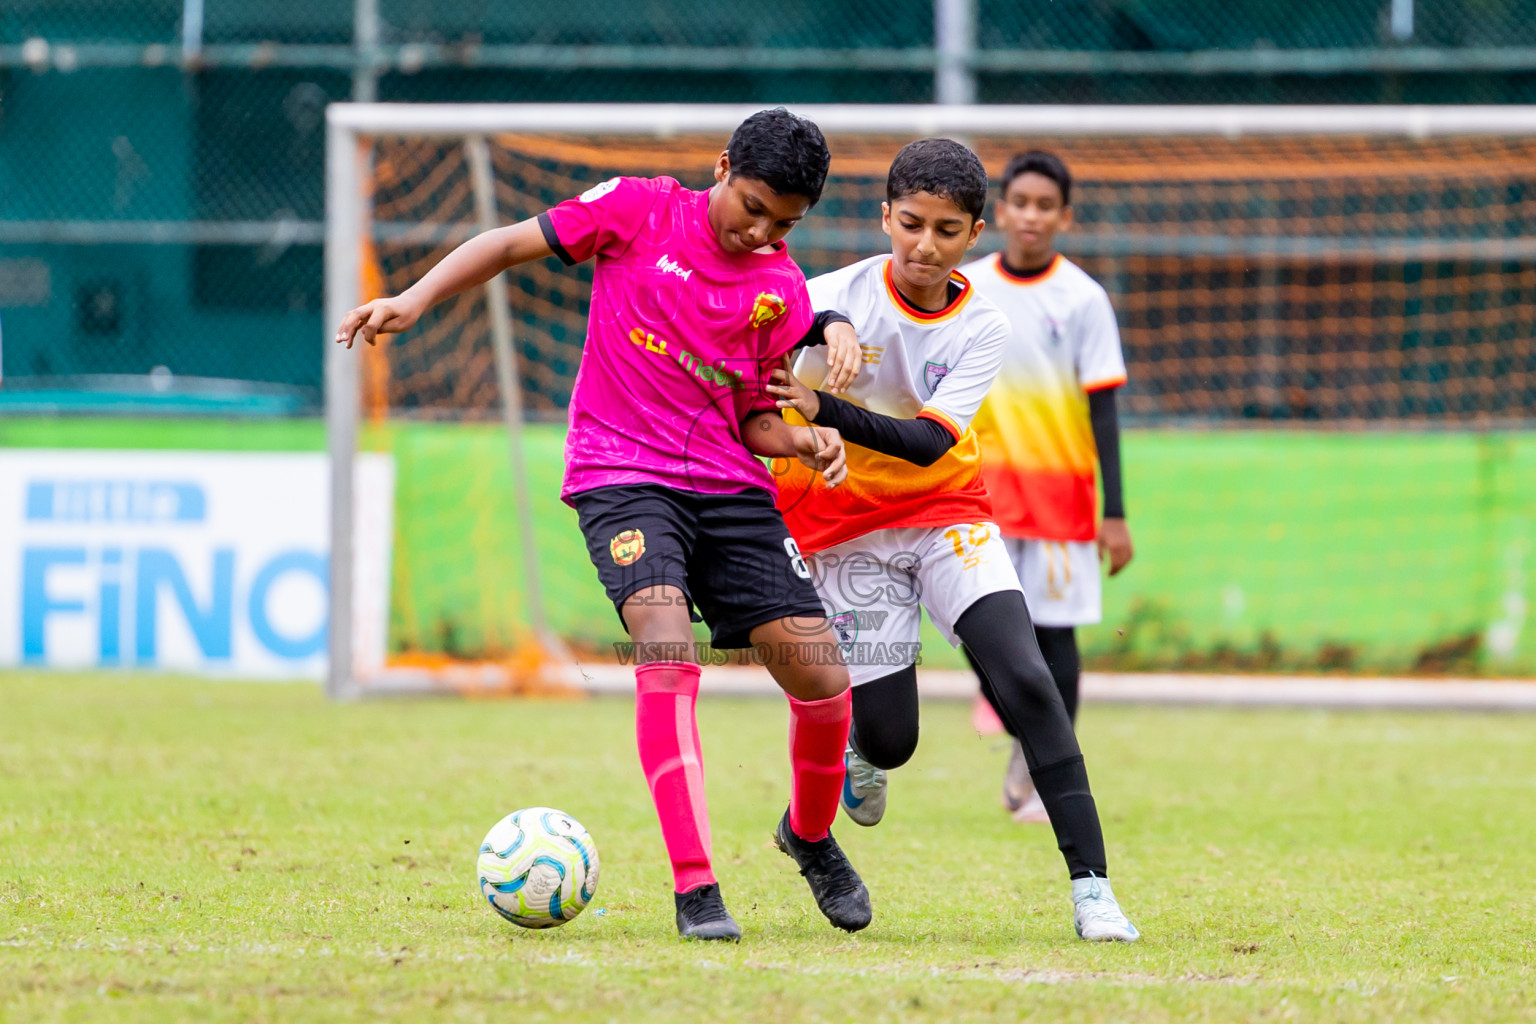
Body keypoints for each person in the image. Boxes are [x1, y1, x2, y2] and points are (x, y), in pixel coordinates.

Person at [335, 109, 873, 942]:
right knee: (664, 646)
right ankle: (697, 889)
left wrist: (807, 439)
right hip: (621, 477)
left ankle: (807, 835)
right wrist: (413, 297)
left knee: (825, 681)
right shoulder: (636, 208)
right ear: (723, 165)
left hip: (729, 491)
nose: (762, 231)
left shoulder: (780, 289)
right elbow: (509, 244)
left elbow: (754, 422)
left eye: (785, 222)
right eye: (754, 206)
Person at [768, 138, 1139, 942]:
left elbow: (930, 444)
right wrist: (813, 340)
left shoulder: (983, 324)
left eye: (945, 230)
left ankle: (1093, 891)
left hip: (948, 517)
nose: (924, 246)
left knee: (1028, 679)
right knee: (893, 741)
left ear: (976, 233)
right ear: (883, 218)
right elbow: (759, 350)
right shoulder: (829, 293)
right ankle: (861, 755)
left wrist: (822, 407)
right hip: (841, 534)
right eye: (909, 225)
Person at [960, 152, 1134, 825]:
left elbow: (1105, 410)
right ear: (999, 212)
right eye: (1019, 202)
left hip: (1060, 502)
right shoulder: (967, 289)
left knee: (1056, 642)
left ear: (1064, 216)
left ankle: (1041, 775)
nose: (1030, 216)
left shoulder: (1083, 298)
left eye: (1044, 205)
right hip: (977, 499)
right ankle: (1024, 739)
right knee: (980, 639)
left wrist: (1113, 514)